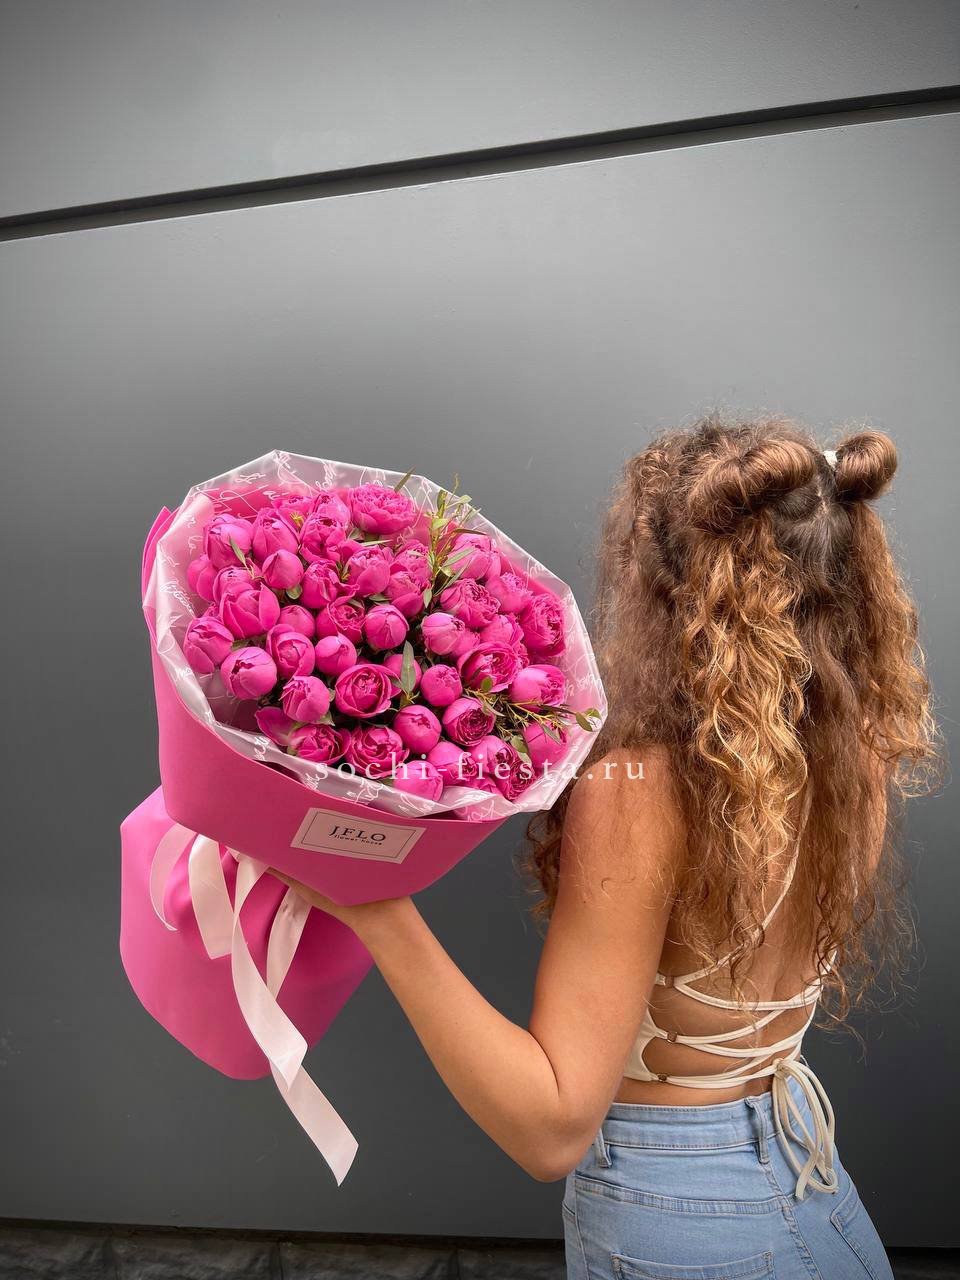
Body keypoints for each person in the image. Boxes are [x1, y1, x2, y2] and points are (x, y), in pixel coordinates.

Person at [271, 413, 942, 1278]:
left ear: (664, 586)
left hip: (692, 1223)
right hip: (817, 1197)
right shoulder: (859, 760)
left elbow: (550, 1129)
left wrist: (377, 909)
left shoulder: (645, 790)